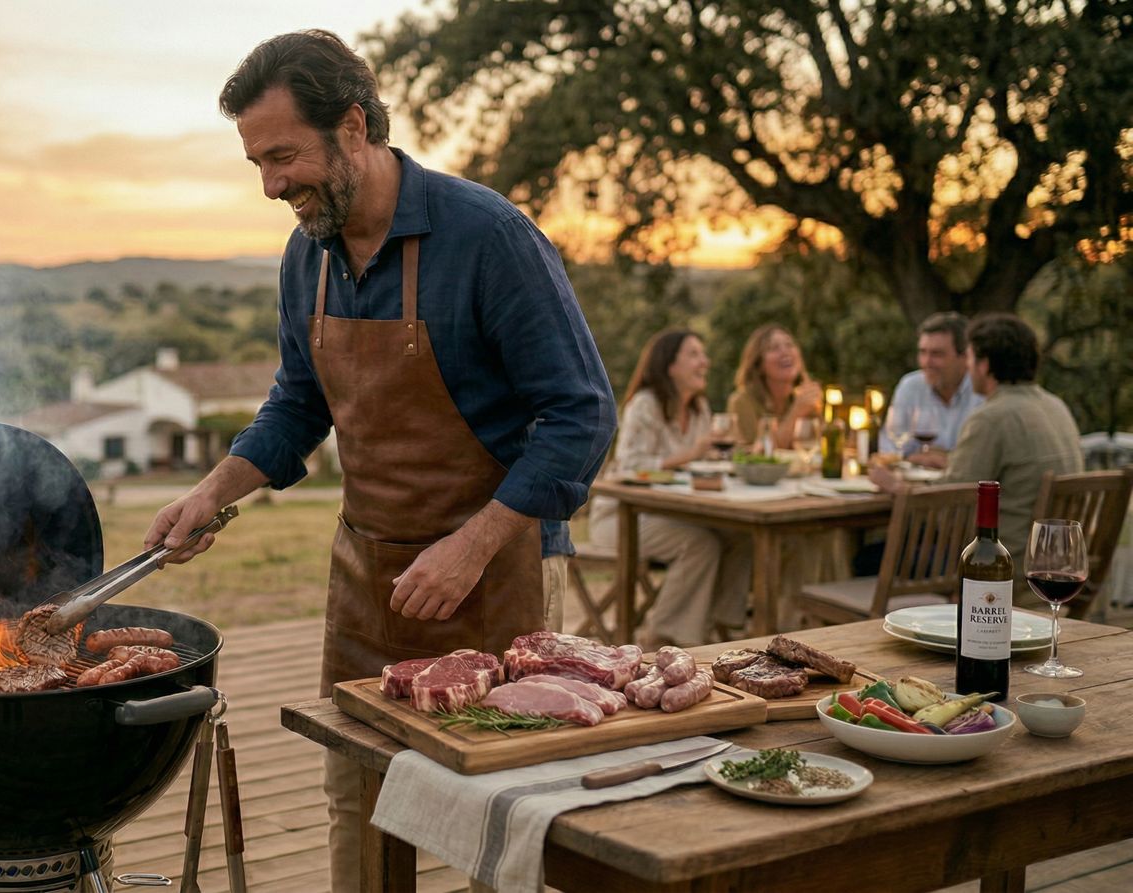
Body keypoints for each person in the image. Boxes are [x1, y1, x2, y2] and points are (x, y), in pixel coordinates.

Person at [143, 30, 616, 888]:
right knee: (353, 804)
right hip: (364, 584)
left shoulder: (489, 237)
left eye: (283, 156)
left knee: (501, 820)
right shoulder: (305, 257)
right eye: (256, 162)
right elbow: (297, 405)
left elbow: (581, 412)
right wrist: (210, 492)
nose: (271, 184)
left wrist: (471, 545)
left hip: (493, 579)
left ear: (353, 126)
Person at [870, 313, 1082, 560]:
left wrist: (896, 486)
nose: (968, 368)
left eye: (970, 358)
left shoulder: (991, 417)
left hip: (1000, 565)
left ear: (984, 365)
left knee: (870, 558)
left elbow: (950, 501)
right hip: (1054, 560)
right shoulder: (1056, 406)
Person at [588, 330, 752, 647]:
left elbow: (700, 465)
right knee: (700, 544)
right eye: (694, 354)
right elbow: (630, 466)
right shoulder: (644, 405)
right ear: (670, 365)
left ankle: (721, 627)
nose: (705, 362)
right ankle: (661, 637)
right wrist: (692, 454)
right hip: (622, 517)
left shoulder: (700, 409)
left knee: (740, 534)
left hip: (674, 513)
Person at [879, 312, 984, 467]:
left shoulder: (982, 391)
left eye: (937, 354)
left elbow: (984, 457)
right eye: (922, 352)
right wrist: (919, 458)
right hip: (915, 487)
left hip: (965, 488)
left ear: (964, 357)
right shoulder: (910, 386)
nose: (926, 362)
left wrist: (947, 460)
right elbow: (890, 447)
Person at [726, 324, 822, 450]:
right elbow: (762, 456)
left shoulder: (802, 400)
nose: (785, 352)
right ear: (758, 365)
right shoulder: (741, 402)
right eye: (773, 348)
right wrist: (797, 412)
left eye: (789, 345)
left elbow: (816, 450)